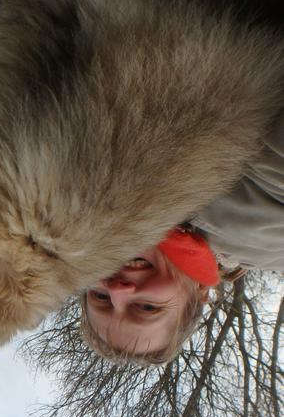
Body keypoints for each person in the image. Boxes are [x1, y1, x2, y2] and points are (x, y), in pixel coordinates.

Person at [82, 115, 284, 365]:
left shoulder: (83, 184)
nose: (116, 290)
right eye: (147, 308)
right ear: (199, 292)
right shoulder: (263, 230)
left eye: (100, 297)